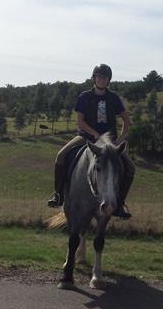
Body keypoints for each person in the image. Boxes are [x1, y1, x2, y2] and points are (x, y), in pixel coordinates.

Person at [46, 64, 135, 219]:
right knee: (60, 156)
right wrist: (94, 134)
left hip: (109, 142)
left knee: (130, 168)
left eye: (105, 77)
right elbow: (80, 122)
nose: (101, 79)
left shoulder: (114, 98)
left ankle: (119, 204)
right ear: (94, 78)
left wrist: (119, 140)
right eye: (99, 76)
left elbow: (126, 121)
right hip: (86, 137)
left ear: (108, 80)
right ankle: (58, 195)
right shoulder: (84, 97)